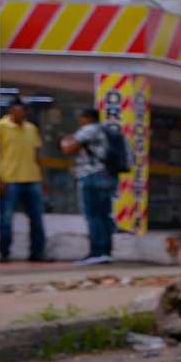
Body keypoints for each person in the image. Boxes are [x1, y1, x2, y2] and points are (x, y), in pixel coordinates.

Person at [62, 106, 120, 264]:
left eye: (81, 118)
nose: (80, 121)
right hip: (108, 175)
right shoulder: (107, 131)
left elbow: (69, 148)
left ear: (87, 118)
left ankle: (97, 252)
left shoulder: (89, 129)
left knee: (93, 215)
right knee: (104, 214)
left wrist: (65, 140)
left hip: (91, 176)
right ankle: (106, 251)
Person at [0, 100, 47, 262]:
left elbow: (36, 154)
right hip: (9, 179)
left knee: (37, 218)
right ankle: (3, 252)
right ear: (10, 111)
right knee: (6, 218)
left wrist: (42, 177)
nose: (19, 115)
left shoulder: (31, 129)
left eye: (22, 112)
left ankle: (37, 253)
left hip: (32, 178)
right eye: (15, 111)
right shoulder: (0, 127)